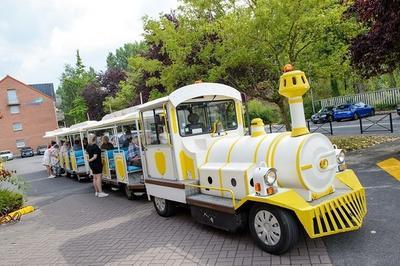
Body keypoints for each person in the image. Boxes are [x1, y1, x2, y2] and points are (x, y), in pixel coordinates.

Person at [86, 134, 108, 198]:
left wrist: (89, 160)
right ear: (95, 139)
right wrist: (90, 160)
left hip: (92, 164)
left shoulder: (88, 146)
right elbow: (95, 157)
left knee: (94, 178)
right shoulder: (95, 146)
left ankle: (96, 192)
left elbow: (87, 154)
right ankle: (100, 192)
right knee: (98, 178)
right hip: (96, 163)